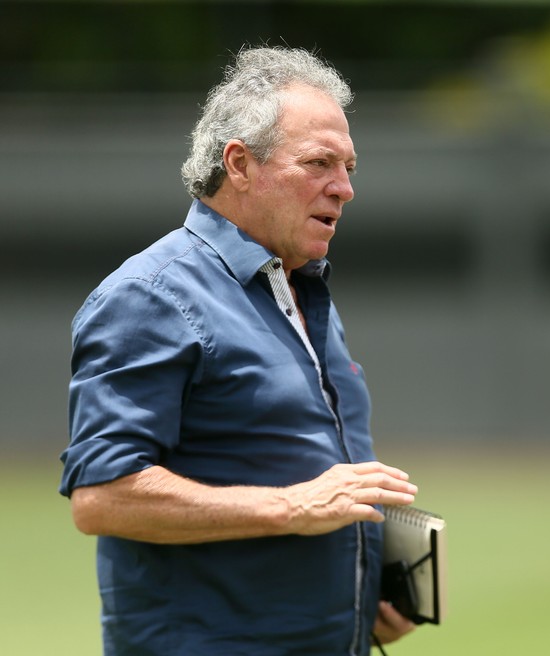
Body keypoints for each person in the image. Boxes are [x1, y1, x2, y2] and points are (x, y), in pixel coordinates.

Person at [59, 46, 420, 655]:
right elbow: (103, 498)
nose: (344, 188)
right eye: (319, 162)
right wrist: (290, 506)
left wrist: (363, 598)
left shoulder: (300, 289)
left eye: (349, 167)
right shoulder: (150, 295)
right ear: (239, 164)